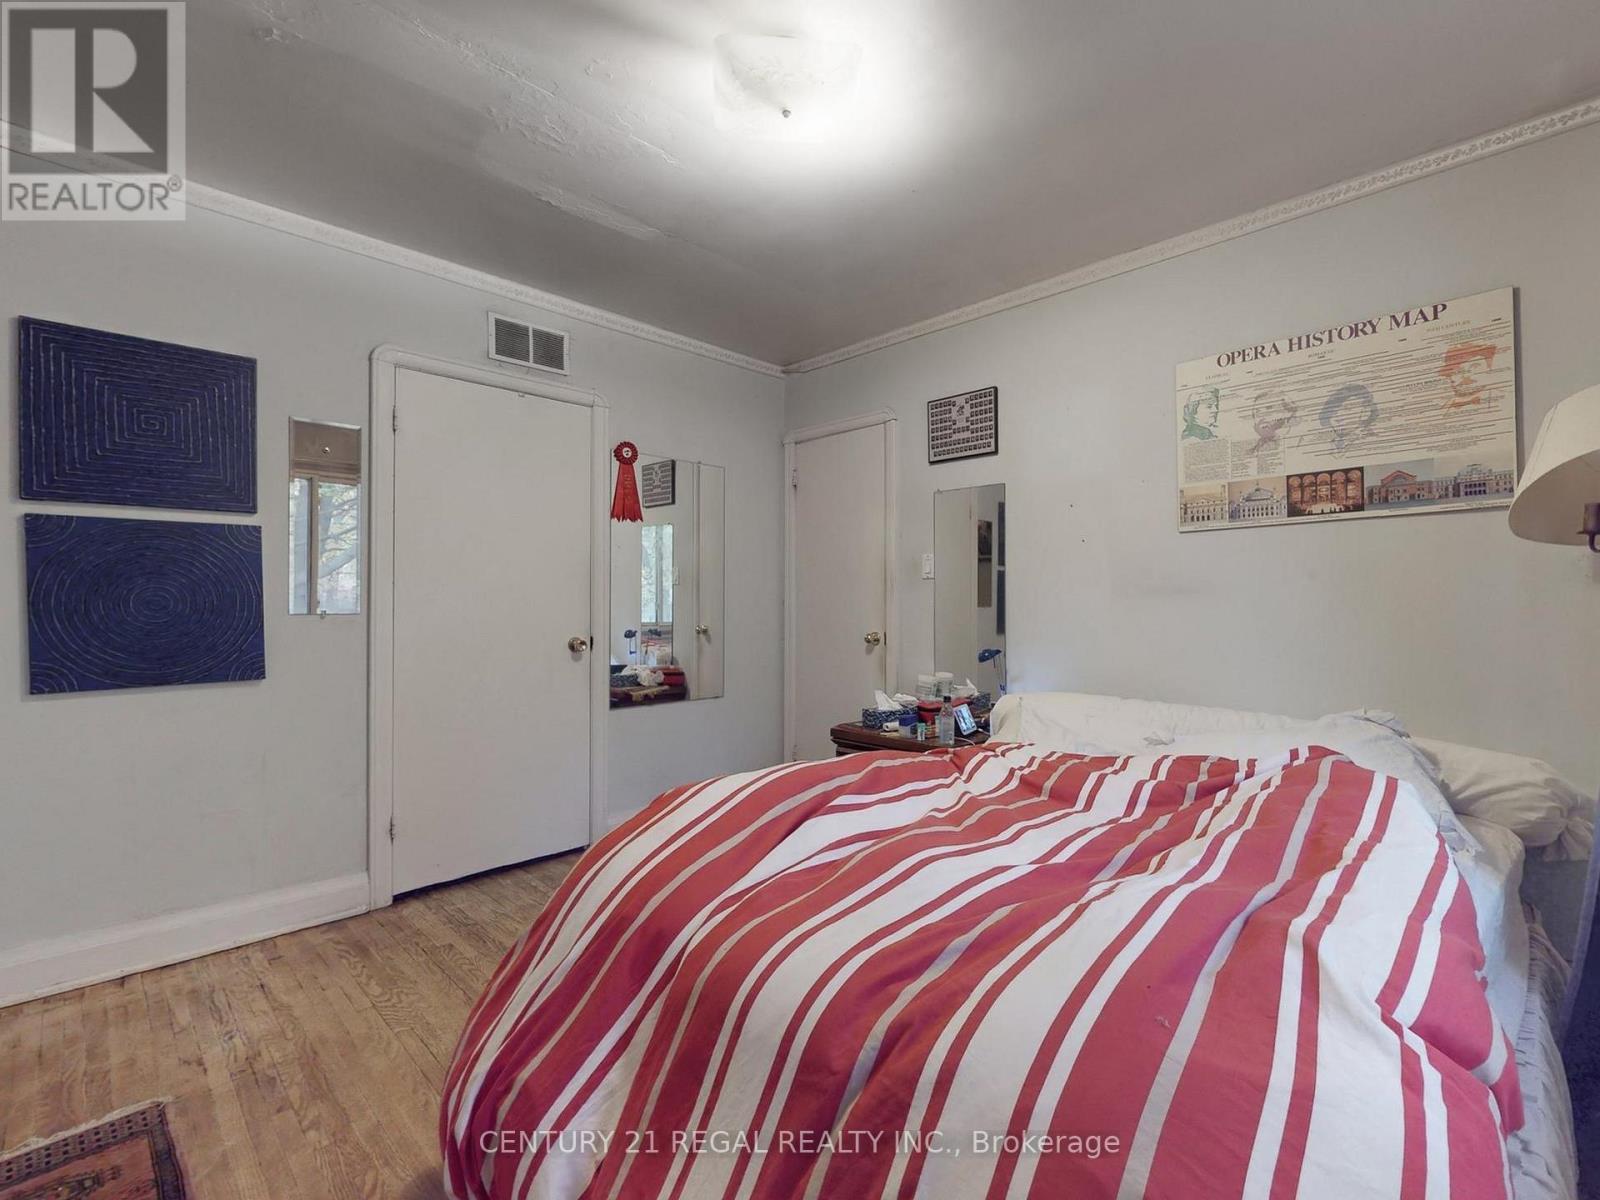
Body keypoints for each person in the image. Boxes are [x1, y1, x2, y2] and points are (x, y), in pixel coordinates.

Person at [1318, 383, 1378, 454]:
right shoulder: (1324, 443)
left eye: (1347, 408)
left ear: (1365, 411)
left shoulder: (1372, 444)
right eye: (1334, 410)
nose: (1338, 416)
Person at [1438, 342, 1498, 408]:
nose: (1466, 376)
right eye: (1458, 371)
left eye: (1475, 367)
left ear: (1488, 368)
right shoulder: (1444, 408)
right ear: (1450, 377)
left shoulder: (1504, 401)